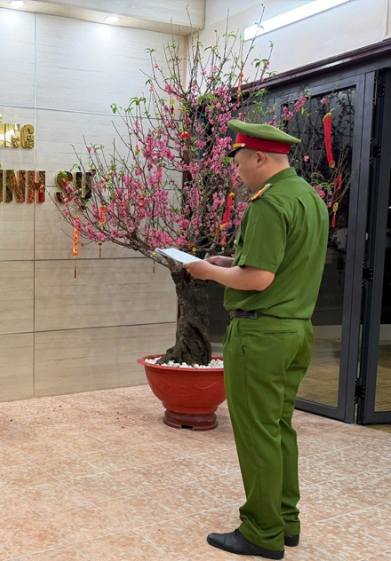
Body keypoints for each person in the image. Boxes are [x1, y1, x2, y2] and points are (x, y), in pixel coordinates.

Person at [185, 120, 328, 559]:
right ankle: (286, 521)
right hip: (296, 330)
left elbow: (260, 278)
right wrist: (232, 260)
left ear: (261, 158)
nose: (239, 170)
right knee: (279, 427)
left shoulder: (267, 204)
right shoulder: (308, 197)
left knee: (256, 433)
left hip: (262, 333)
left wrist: (208, 271)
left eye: (241, 160)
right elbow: (280, 264)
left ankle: (261, 531)